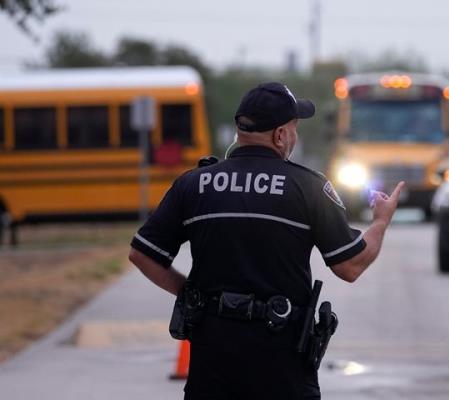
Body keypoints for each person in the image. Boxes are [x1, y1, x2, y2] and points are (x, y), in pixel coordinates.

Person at [128, 82, 404, 399]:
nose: (295, 136)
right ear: (280, 136)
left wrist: (191, 294)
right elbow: (351, 266)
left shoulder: (194, 184)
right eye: (294, 128)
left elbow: (142, 254)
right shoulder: (308, 187)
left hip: (213, 359)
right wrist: (381, 221)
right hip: (280, 360)